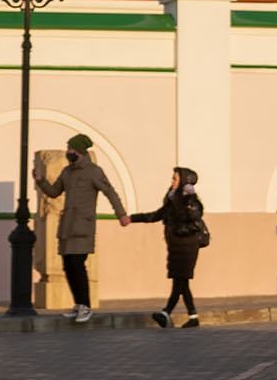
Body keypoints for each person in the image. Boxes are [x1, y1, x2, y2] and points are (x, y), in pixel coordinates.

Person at [33, 133, 128, 323]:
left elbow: (110, 193)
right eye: (67, 148)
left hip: (83, 226)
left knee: (77, 264)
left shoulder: (94, 171)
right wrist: (41, 181)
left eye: (70, 149)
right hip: (67, 226)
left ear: (80, 151)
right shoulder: (67, 172)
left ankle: (85, 306)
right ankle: (78, 304)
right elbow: (54, 192)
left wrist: (121, 215)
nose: (68, 152)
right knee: (68, 266)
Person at [129, 167, 207, 328]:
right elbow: (154, 216)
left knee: (179, 280)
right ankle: (193, 317)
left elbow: (196, 224)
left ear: (184, 181)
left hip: (188, 247)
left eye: (175, 179)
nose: (172, 181)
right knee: (182, 281)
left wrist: (178, 230)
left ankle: (166, 312)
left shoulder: (191, 202)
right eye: (172, 178)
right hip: (175, 247)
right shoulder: (172, 201)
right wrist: (131, 218)